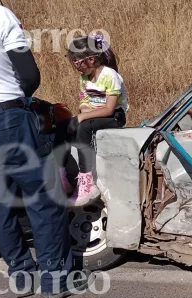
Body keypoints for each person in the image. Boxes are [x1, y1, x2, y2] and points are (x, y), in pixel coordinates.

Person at [0, 0, 92, 298]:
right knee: (44, 199)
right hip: (10, 119)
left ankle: (20, 275)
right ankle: (54, 281)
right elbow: (29, 77)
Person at [54, 35, 128, 207]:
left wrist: (83, 116)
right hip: (94, 114)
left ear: (91, 59)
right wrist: (83, 114)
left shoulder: (110, 76)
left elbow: (109, 109)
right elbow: (84, 103)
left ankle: (87, 181)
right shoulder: (84, 78)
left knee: (83, 128)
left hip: (113, 117)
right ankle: (61, 174)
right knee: (64, 125)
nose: (76, 67)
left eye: (77, 62)